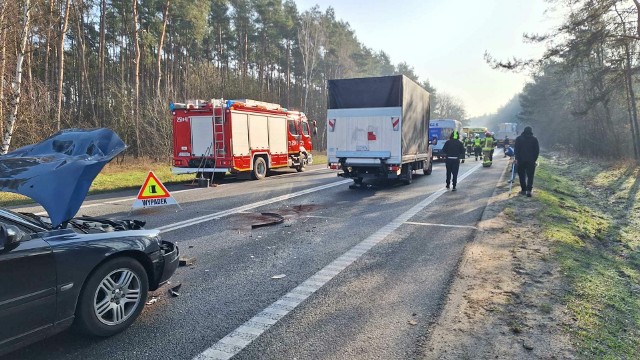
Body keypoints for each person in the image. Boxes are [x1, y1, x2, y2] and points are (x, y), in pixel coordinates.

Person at [514, 126, 540, 197]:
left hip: (521, 160)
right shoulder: (534, 139)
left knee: (522, 175)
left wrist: (516, 158)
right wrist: (534, 159)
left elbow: (516, 150)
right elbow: (537, 151)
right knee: (530, 176)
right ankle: (529, 190)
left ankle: (523, 190)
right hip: (531, 161)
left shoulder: (519, 139)